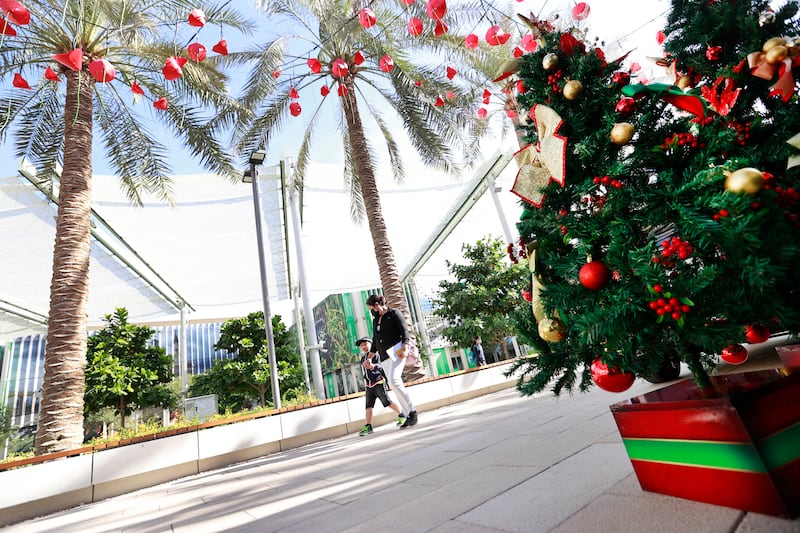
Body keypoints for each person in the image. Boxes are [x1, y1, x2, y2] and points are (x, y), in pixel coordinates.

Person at [365, 294, 418, 428]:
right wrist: (369, 357)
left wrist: (405, 348)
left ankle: (412, 412)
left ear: (377, 305)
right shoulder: (376, 319)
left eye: (371, 307)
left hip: (398, 352)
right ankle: (406, 414)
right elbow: (376, 340)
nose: (371, 310)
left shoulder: (394, 313)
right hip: (384, 357)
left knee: (395, 380)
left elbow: (405, 331)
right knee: (393, 385)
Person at [356, 337, 405, 436]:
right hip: (369, 385)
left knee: (386, 401)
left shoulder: (376, 355)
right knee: (368, 406)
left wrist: (374, 366)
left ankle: (402, 414)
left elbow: (382, 367)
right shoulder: (363, 358)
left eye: (365, 344)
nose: (363, 347)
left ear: (371, 344)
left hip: (378, 382)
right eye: (361, 346)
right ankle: (368, 426)